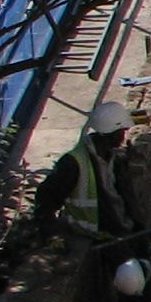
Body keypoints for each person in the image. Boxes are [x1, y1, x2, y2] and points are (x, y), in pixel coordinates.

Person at [30, 101, 140, 242]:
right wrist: (50, 234)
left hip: (120, 230)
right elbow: (47, 198)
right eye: (122, 131)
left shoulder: (113, 158)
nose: (124, 136)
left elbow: (123, 195)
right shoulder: (73, 163)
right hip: (92, 236)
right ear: (111, 133)